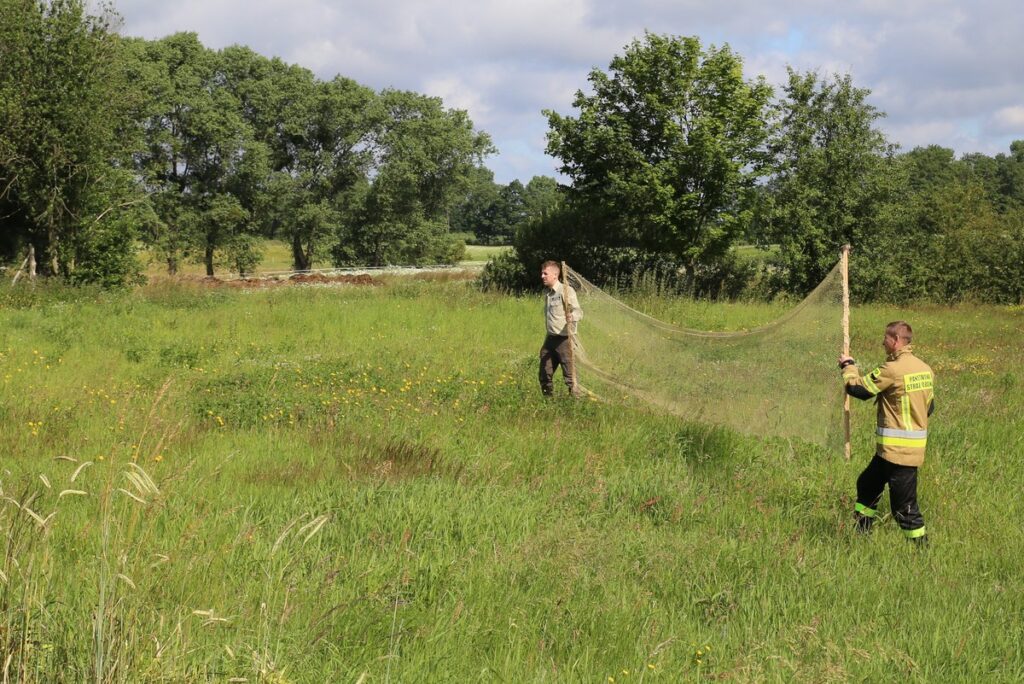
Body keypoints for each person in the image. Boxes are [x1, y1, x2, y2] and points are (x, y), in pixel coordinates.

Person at [839, 321, 934, 544]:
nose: (883, 341)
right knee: (867, 485)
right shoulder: (925, 369)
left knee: (904, 508)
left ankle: (922, 550)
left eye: (886, 338)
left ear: (897, 341)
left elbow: (858, 389)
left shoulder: (892, 370)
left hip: (899, 453)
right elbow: (929, 407)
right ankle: (861, 532)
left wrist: (848, 366)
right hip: (890, 453)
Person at [539, 260, 583, 397]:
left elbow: (579, 311)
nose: (542, 276)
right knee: (544, 374)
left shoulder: (566, 290)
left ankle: (576, 406)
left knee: (570, 377)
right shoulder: (548, 294)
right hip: (550, 339)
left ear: (555, 275)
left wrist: (572, 316)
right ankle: (548, 402)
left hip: (565, 340)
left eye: (545, 273)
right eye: (542, 273)